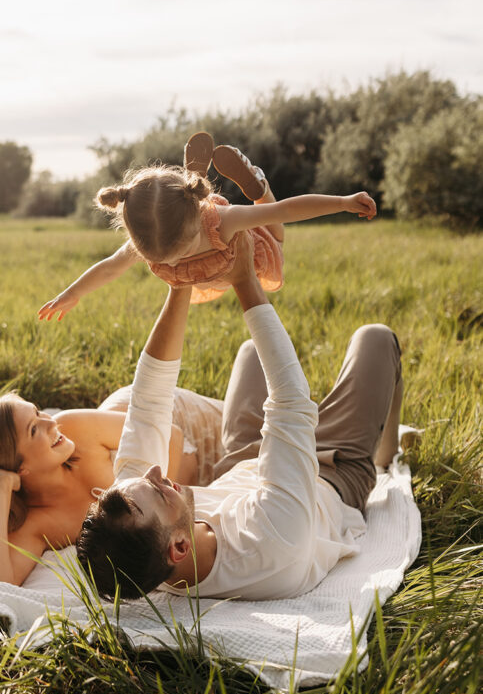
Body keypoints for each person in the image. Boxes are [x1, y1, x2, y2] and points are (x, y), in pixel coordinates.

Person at [76, 234, 404, 602]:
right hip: (330, 471)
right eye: (158, 489)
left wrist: (180, 283)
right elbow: (292, 401)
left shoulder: (138, 520)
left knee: (251, 352)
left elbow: (149, 401)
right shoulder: (273, 542)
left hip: (241, 461)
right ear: (180, 547)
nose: (154, 473)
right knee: (375, 338)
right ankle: (385, 453)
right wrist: (244, 280)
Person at [38, 133, 376, 317]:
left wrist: (343, 202)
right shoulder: (150, 235)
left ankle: (258, 186)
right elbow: (110, 268)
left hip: (245, 247)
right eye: (160, 260)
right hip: (203, 247)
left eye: (178, 251)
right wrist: (71, 293)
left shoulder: (224, 222)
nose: (169, 264)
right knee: (190, 210)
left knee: (276, 232)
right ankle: (194, 180)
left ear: (198, 221)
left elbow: (288, 210)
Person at [0, 381, 225, 586]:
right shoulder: (37, 524)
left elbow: (172, 437)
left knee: (255, 425)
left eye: (37, 412)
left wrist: (169, 510)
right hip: (199, 480)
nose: (51, 421)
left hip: (182, 420)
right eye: (34, 429)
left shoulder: (72, 427)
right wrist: (0, 486)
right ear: (18, 467)